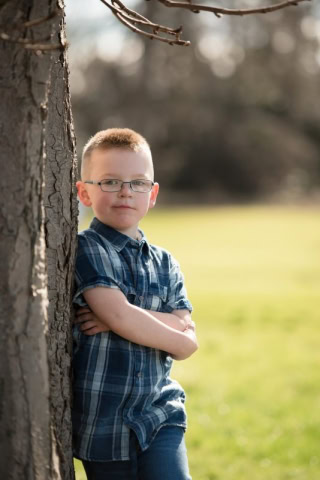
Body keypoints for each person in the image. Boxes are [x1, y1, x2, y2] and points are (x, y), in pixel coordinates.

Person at [72, 128, 198, 480]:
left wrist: (120, 321)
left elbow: (179, 319)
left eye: (138, 182)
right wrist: (180, 339)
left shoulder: (165, 262)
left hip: (160, 412)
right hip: (104, 422)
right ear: (84, 192)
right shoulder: (88, 249)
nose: (126, 192)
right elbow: (120, 313)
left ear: (152, 193)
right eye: (110, 182)